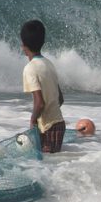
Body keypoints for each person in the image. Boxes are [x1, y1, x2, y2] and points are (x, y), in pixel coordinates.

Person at [21, 20, 66, 153]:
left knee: (44, 160)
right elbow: (60, 99)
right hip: (59, 125)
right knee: (52, 161)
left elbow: (40, 103)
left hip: (48, 128)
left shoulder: (30, 68)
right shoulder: (49, 64)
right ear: (43, 42)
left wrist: (33, 121)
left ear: (24, 46)